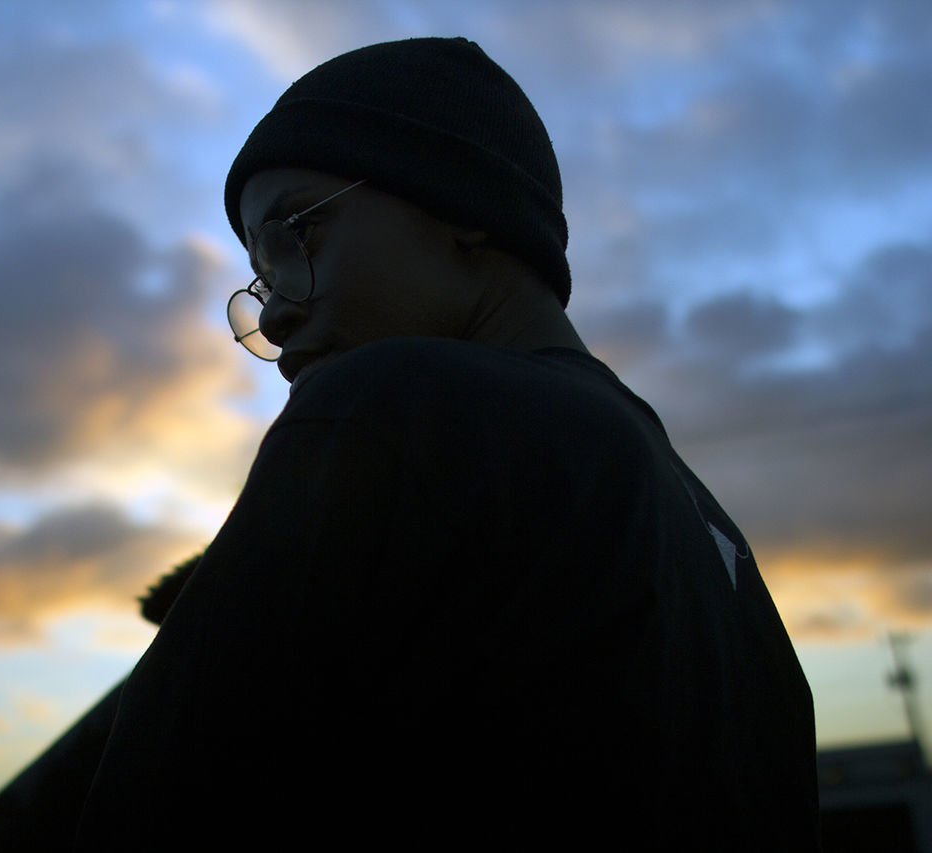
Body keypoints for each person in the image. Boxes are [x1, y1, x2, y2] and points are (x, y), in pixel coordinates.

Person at [71, 36, 821, 849]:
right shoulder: (725, 561)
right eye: (260, 276)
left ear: (463, 205)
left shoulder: (402, 404)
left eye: (296, 235)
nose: (278, 312)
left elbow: (150, 808)